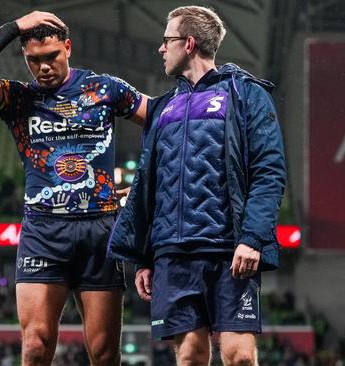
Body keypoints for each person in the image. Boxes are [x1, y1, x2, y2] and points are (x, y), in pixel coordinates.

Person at [0, 11, 147, 366]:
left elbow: (165, 121)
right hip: (44, 231)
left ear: (68, 47)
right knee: (36, 347)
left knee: (104, 354)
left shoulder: (104, 89)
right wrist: (15, 27)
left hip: (101, 231)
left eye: (51, 56)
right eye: (33, 60)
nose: (43, 67)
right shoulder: (18, 99)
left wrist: (145, 182)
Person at [108, 6, 286, 366]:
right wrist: (144, 257)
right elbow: (149, 184)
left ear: (188, 43)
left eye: (167, 40)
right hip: (172, 257)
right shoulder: (163, 109)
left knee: (238, 357)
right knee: (188, 357)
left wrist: (252, 238)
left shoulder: (246, 95)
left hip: (228, 252)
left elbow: (269, 171)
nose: (161, 49)